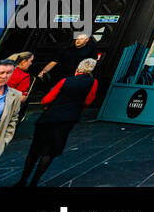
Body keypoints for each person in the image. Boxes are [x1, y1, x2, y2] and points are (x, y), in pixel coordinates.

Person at [15, 57, 99, 187]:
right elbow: (88, 101)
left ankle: (22, 181)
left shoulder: (65, 81)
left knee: (34, 150)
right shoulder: (93, 83)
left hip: (49, 117)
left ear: (77, 69)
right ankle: (34, 182)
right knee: (49, 152)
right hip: (67, 120)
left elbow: (46, 100)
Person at [0, 60, 25, 179]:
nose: (5, 76)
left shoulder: (15, 95)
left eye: (9, 72)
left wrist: (4, 141)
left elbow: (13, 119)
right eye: (1, 72)